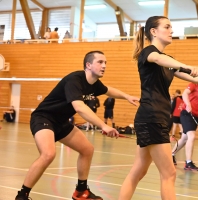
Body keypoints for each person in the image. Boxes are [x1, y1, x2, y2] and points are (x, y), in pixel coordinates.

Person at [118, 16, 198, 200]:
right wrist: (187, 66)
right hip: (152, 117)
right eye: (167, 27)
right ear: (153, 31)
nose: (171, 31)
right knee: (169, 174)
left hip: (152, 117)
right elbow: (158, 59)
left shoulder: (169, 61)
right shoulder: (148, 53)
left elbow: (196, 79)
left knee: (138, 172)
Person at [15, 50, 139, 200]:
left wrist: (127, 96)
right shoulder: (74, 80)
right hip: (44, 118)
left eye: (105, 62)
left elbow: (108, 90)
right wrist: (103, 125)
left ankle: (81, 191)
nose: (104, 66)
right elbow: (79, 107)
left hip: (61, 122)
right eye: (100, 62)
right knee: (48, 154)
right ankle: (22, 195)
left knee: (87, 150)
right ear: (88, 65)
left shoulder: (94, 84)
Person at [171, 68, 198, 171]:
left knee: (184, 138)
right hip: (186, 114)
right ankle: (188, 162)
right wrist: (188, 104)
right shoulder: (195, 83)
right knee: (191, 136)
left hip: (196, 116)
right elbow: (185, 93)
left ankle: (171, 155)